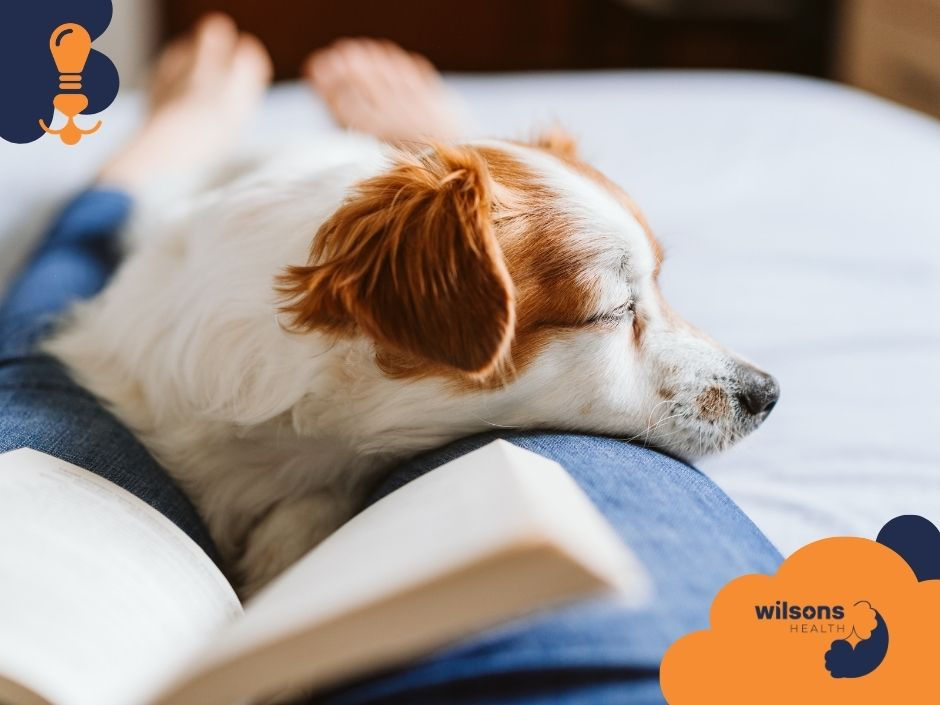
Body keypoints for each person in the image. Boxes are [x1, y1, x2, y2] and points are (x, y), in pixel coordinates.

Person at [0, 15, 781, 704]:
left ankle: (454, 152)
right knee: (82, 287)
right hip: (217, 255)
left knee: (34, 366)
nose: (731, 372)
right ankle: (146, 172)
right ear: (427, 312)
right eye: (617, 311)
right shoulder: (403, 296)